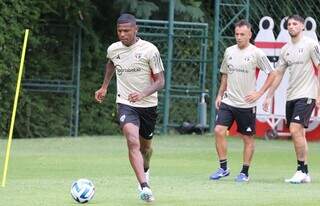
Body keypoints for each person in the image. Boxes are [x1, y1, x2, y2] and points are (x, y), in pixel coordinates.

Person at [95, 13, 165, 202]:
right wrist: (104, 86)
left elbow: (160, 81)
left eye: (126, 30)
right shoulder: (113, 49)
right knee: (132, 140)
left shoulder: (150, 50)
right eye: (119, 31)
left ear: (136, 29)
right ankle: (144, 187)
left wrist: (143, 94)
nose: (122, 34)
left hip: (148, 105)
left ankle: (146, 169)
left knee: (146, 150)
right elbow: (111, 64)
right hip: (126, 103)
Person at [209, 19, 275, 182]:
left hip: (246, 104)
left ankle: (244, 172)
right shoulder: (229, 51)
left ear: (250, 35)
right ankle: (223, 168)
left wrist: (259, 93)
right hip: (228, 101)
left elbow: (272, 73)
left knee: (247, 139)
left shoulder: (256, 53)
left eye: (242, 34)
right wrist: (219, 94)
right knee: (218, 131)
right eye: (237, 34)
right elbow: (225, 74)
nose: (238, 37)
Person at [263, 15, 320, 184]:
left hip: (307, 94)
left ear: (302, 26)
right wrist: (269, 95)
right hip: (291, 96)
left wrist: (318, 94)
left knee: (294, 129)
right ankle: (306, 173)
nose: (292, 26)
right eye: (289, 24)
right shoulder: (285, 49)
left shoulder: (311, 44)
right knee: (299, 133)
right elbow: (278, 73)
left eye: (295, 24)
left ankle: (300, 169)